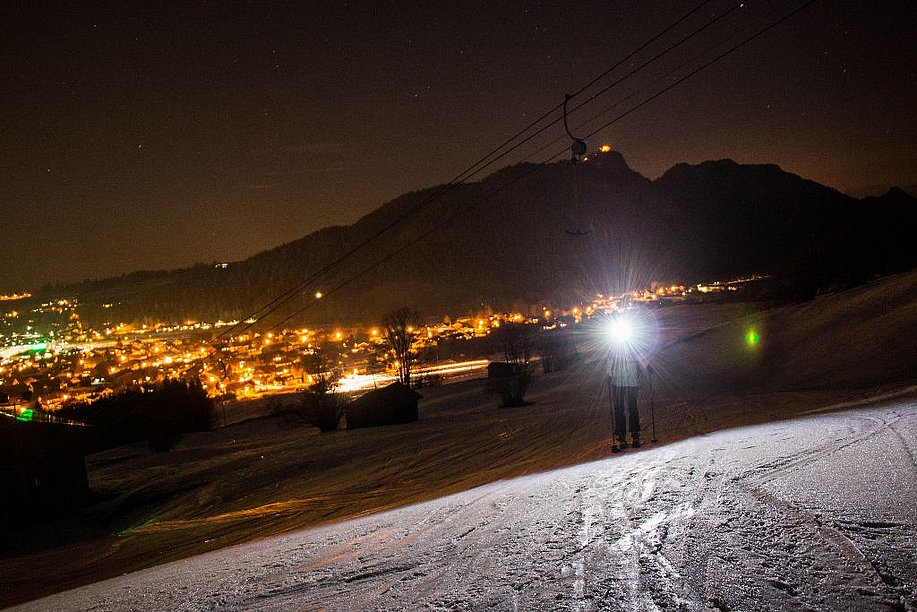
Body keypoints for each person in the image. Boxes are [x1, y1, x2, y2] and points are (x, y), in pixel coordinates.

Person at [606, 342, 644, 452]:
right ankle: (622, 436)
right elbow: (609, 359)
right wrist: (609, 374)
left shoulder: (632, 343)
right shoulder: (613, 345)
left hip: (631, 381)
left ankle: (635, 434)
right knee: (619, 409)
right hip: (618, 381)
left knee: (633, 408)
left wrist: (646, 366)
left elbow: (640, 356)